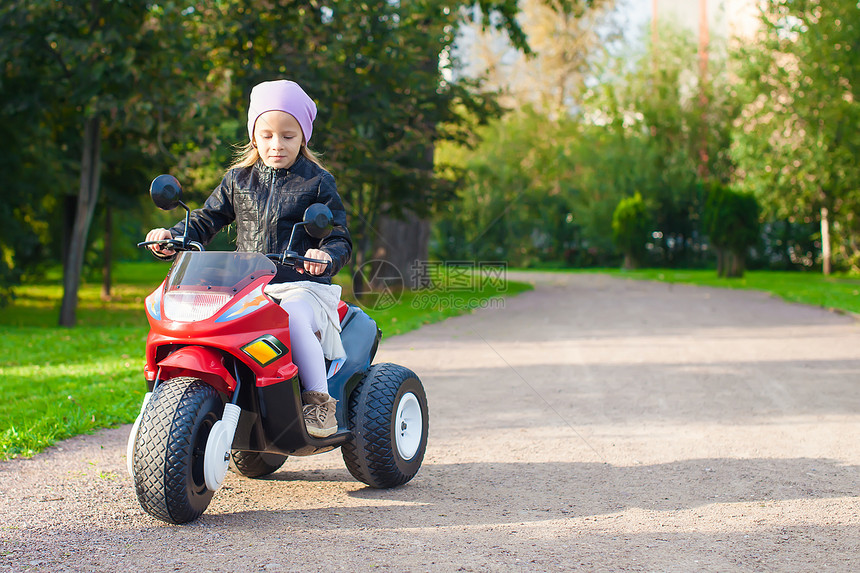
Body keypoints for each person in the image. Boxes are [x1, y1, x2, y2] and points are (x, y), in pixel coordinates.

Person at [145, 79, 351, 438]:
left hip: (300, 284)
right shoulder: (237, 180)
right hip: (247, 285)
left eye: (288, 135)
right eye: (267, 134)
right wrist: (175, 236)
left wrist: (325, 255)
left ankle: (319, 401)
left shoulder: (318, 182)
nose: (277, 145)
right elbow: (206, 219)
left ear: (303, 136)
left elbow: (339, 237)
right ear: (254, 135)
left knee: (294, 316)